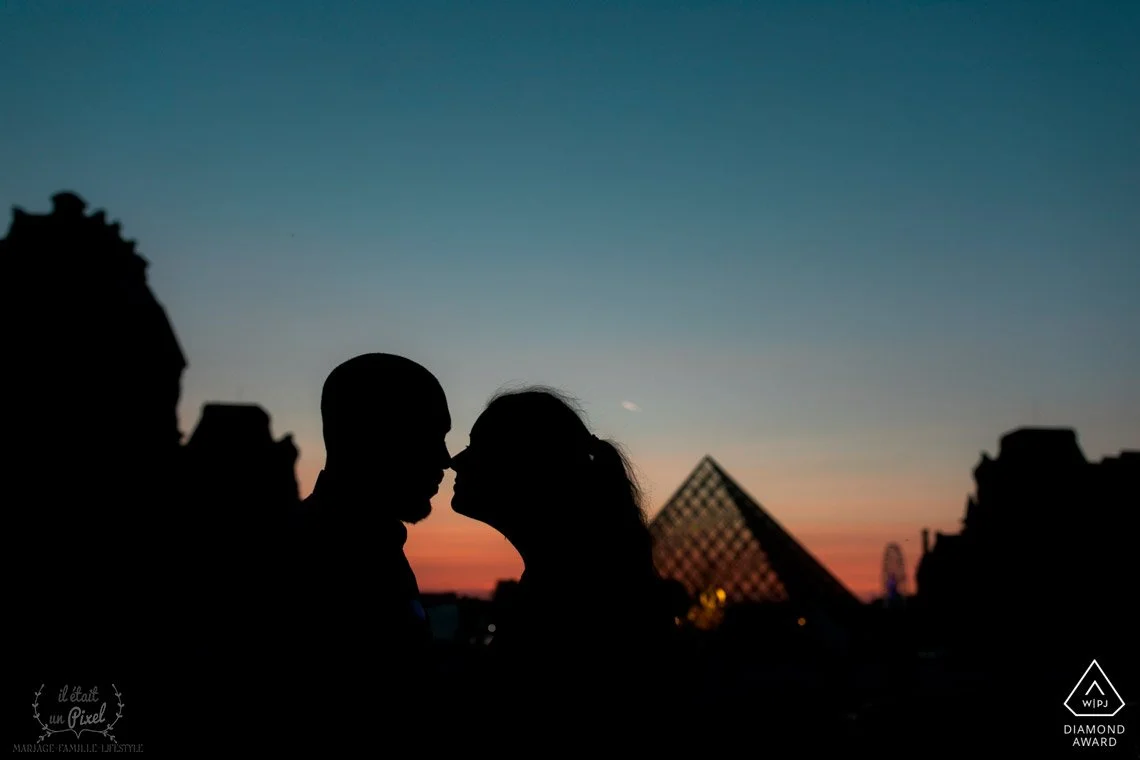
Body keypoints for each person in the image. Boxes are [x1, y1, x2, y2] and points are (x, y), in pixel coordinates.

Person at [450, 386, 675, 718]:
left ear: (529, 466)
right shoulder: (591, 581)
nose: (456, 460)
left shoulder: (569, 597)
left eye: (478, 448)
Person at [290, 353, 451, 732]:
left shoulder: (368, 543)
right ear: (373, 435)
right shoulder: (316, 557)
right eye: (430, 436)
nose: (445, 459)